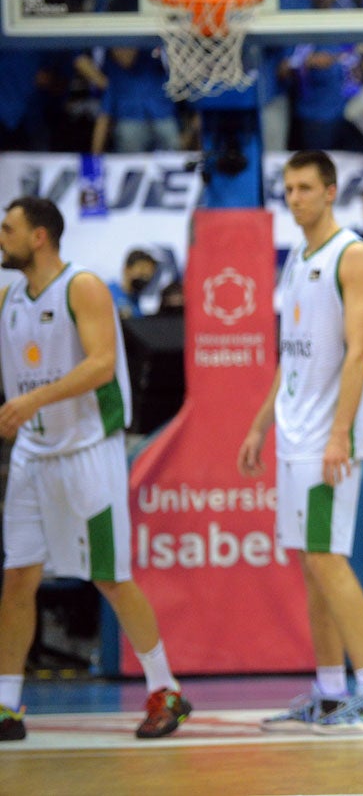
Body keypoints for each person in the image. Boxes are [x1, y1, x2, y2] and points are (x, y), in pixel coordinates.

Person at [0, 196, 191, 741]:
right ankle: (6, 705)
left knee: (110, 575)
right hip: (34, 453)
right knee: (18, 578)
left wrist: (32, 401)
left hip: (87, 450)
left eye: (9, 228)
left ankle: (166, 690)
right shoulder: (11, 295)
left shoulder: (80, 286)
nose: (2, 236)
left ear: (39, 236)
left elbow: (103, 362)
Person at [237, 150, 363, 734]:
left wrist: (339, 435)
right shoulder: (299, 257)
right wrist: (260, 424)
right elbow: (293, 354)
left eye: (305, 187)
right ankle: (331, 690)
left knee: (329, 560)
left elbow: (361, 350)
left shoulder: (350, 254)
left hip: (330, 439)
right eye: (289, 187)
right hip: (295, 432)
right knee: (311, 562)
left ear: (331, 191)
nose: (295, 196)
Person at [109, 248, 159, 320]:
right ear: (127, 269)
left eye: (148, 275)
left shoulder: (139, 301)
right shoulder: (107, 292)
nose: (145, 278)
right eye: (142, 271)